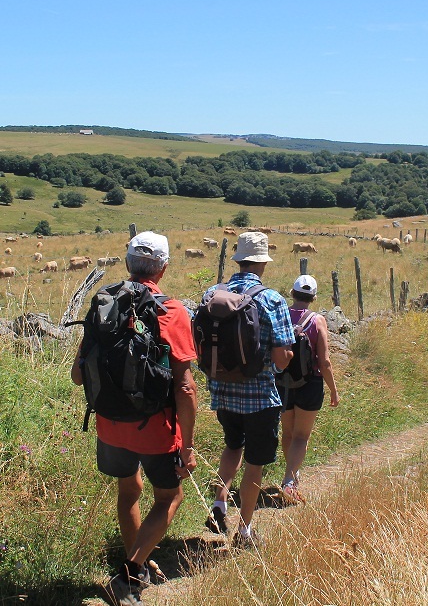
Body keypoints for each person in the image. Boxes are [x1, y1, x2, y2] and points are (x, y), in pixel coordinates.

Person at [71, 232, 197, 606]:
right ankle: (128, 575)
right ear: (164, 268)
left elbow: (78, 375)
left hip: (109, 424)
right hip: (155, 429)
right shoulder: (172, 311)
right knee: (170, 497)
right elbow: (185, 387)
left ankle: (136, 567)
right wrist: (188, 446)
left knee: (129, 491)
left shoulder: (104, 304)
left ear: (127, 263)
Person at [204, 231, 295, 548]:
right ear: (262, 263)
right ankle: (244, 531)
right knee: (255, 463)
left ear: (238, 260)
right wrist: (285, 359)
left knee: (233, 445)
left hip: (222, 392)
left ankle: (219, 502)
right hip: (260, 399)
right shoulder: (272, 300)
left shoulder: (213, 294)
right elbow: (281, 359)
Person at [277, 274, 340, 503]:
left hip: (283, 382)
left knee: (288, 433)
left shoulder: (281, 316)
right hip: (310, 384)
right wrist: (333, 389)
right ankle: (289, 481)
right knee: (301, 436)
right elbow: (325, 362)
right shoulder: (317, 320)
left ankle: (292, 474)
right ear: (313, 297)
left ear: (292, 293)